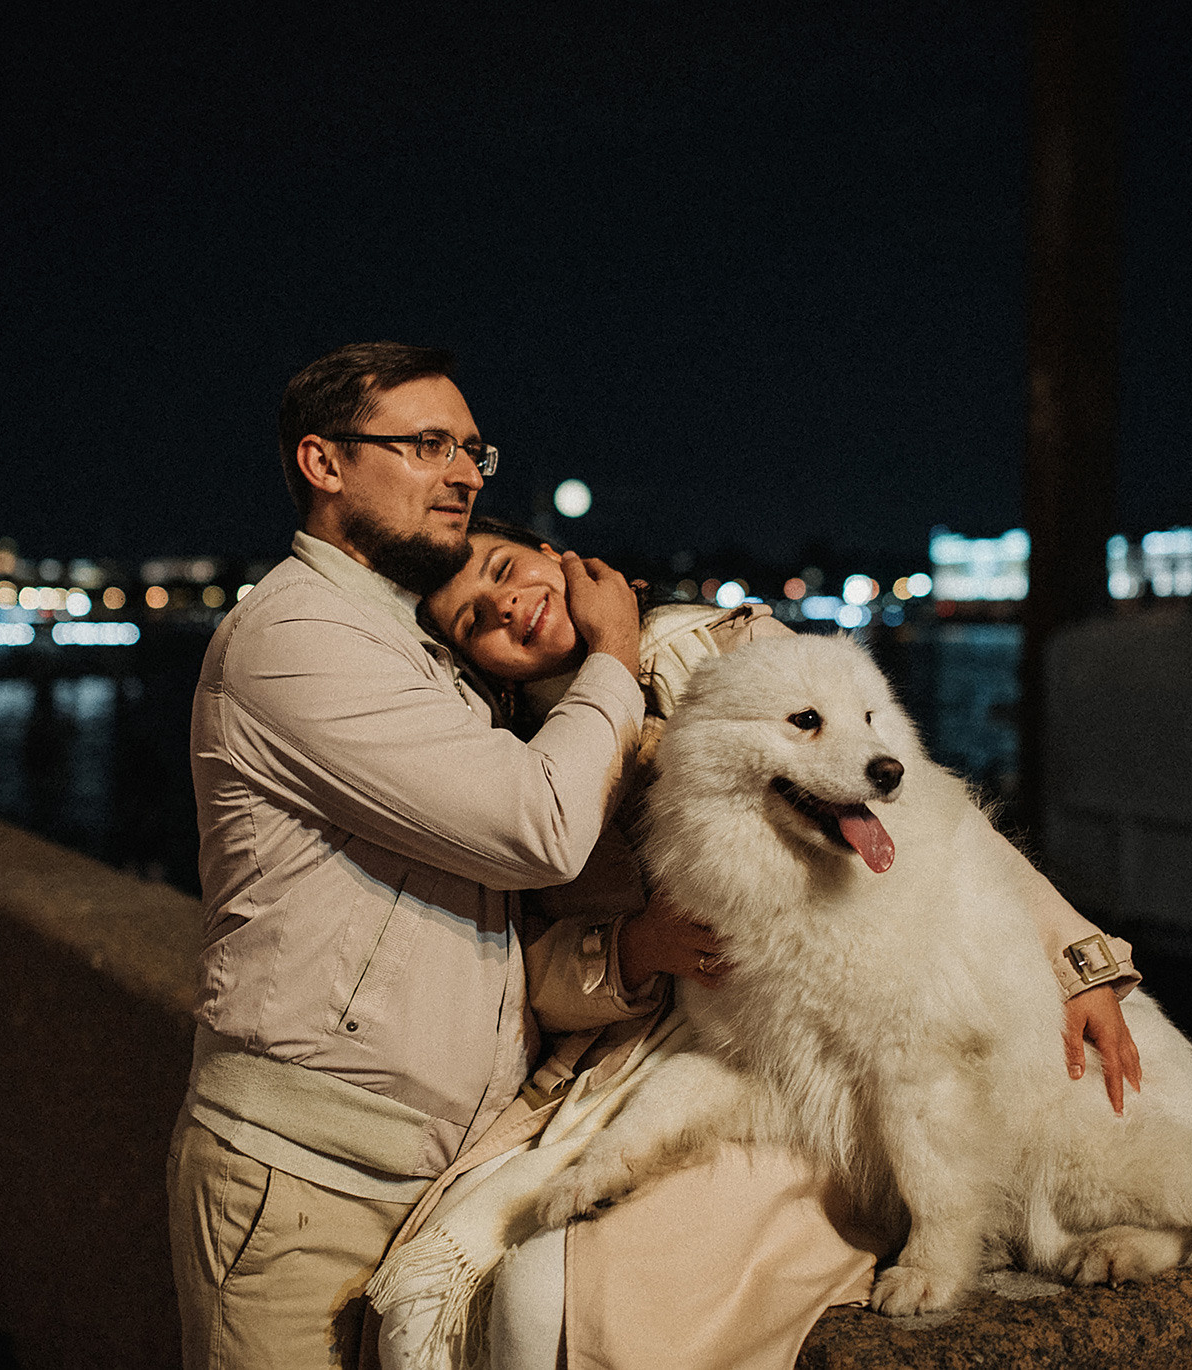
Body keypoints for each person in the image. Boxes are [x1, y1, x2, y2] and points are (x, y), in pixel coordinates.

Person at [364, 517, 1143, 1370]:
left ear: (562, 560)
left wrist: (1079, 961)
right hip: (647, 1064)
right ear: (474, 662)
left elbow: (942, 824)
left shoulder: (725, 648)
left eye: (507, 567)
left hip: (802, 1069)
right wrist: (633, 948)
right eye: (476, 618)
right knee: (500, 1283)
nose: (508, 604)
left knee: (561, 1294)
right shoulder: (500, 765)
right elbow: (520, 976)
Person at [175, 344, 690, 1370]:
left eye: (469, 448)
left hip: (418, 1177)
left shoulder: (415, 646)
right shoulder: (296, 637)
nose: (461, 471)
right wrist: (612, 657)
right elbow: (534, 825)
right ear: (322, 463)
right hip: (304, 1183)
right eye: (422, 444)